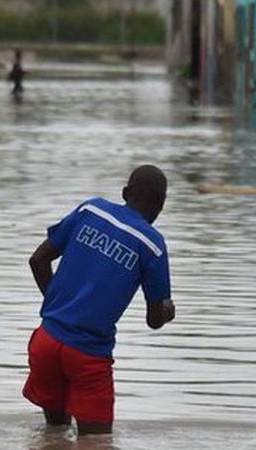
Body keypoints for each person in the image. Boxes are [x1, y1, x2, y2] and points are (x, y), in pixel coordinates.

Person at [24, 165, 176, 435]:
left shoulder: (90, 210)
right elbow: (154, 320)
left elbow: (38, 260)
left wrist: (62, 306)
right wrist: (167, 311)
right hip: (88, 355)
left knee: (54, 440)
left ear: (126, 193)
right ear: (161, 205)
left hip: (46, 342)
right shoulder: (152, 244)